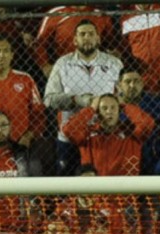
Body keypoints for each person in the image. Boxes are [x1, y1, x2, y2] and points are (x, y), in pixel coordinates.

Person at [44, 19, 123, 175]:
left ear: (98, 39)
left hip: (103, 137)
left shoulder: (114, 64)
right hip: (69, 138)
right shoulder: (62, 64)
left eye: (91, 34)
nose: (87, 37)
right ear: (75, 40)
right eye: (82, 34)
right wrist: (77, 100)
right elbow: (49, 99)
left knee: (102, 183)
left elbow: (122, 97)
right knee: (66, 184)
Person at [61, 93, 155, 176]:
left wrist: (125, 105)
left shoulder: (130, 132)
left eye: (113, 107)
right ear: (97, 112)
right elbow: (68, 130)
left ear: (119, 111)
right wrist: (91, 109)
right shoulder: (88, 134)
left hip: (126, 189)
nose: (109, 111)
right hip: (95, 189)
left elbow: (147, 124)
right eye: (104, 108)